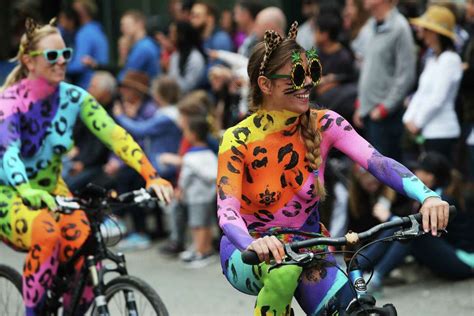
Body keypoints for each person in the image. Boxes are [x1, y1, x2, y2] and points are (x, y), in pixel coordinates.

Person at [217, 21, 450, 315]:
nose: (308, 84)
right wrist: (256, 242)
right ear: (266, 85)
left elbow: (376, 161)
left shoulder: (326, 123)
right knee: (283, 272)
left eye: (312, 72)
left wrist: (427, 196)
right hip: (246, 251)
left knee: (350, 308)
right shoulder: (237, 139)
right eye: (297, 76)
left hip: (310, 246)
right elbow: (227, 211)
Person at [0, 18, 173, 315]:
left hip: (55, 192)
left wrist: (152, 176)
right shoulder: (9, 103)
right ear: (29, 61)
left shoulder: (74, 97)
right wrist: (26, 189)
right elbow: (9, 153)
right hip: (12, 193)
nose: (61, 62)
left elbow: (116, 136)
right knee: (46, 233)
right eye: (52, 56)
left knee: (85, 243)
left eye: (65, 54)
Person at [360, 152, 474, 296]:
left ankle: (375, 277)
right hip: (448, 254)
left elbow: (420, 226)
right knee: (402, 226)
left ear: (430, 176)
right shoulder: (428, 196)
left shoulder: (445, 200)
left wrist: (388, 217)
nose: (414, 173)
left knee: (414, 232)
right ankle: (359, 266)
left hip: (465, 262)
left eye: (419, 171)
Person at [352, 0, 416, 161]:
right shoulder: (369, 26)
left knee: (387, 172)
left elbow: (406, 75)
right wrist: (361, 104)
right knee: (370, 172)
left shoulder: (400, 27)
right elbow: (366, 67)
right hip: (368, 114)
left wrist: (385, 108)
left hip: (386, 117)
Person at [403, 6, 462, 162]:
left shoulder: (450, 60)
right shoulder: (432, 60)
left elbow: (438, 98)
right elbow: (421, 94)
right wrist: (408, 118)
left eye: (426, 30)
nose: (422, 34)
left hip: (442, 132)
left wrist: (417, 122)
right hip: (427, 132)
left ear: (435, 33)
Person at [177, 116, 218, 267]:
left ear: (193, 134)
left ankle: (201, 253)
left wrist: (180, 189)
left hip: (195, 196)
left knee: (197, 224)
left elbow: (184, 177)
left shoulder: (190, 157)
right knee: (205, 224)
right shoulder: (209, 153)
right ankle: (203, 248)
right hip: (208, 195)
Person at [67, 0, 109, 89]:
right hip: (101, 83)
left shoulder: (85, 33)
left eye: (74, 12)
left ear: (82, 12)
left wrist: (60, 67)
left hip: (88, 86)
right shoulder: (98, 30)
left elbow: (79, 65)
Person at [118, 10, 161, 81]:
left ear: (140, 24)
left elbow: (125, 77)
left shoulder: (144, 47)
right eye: (122, 25)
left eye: (126, 25)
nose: (122, 29)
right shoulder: (140, 45)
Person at [168, 21, 207, 93]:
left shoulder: (195, 58)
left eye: (173, 33)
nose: (170, 36)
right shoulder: (175, 55)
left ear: (181, 36)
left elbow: (187, 86)